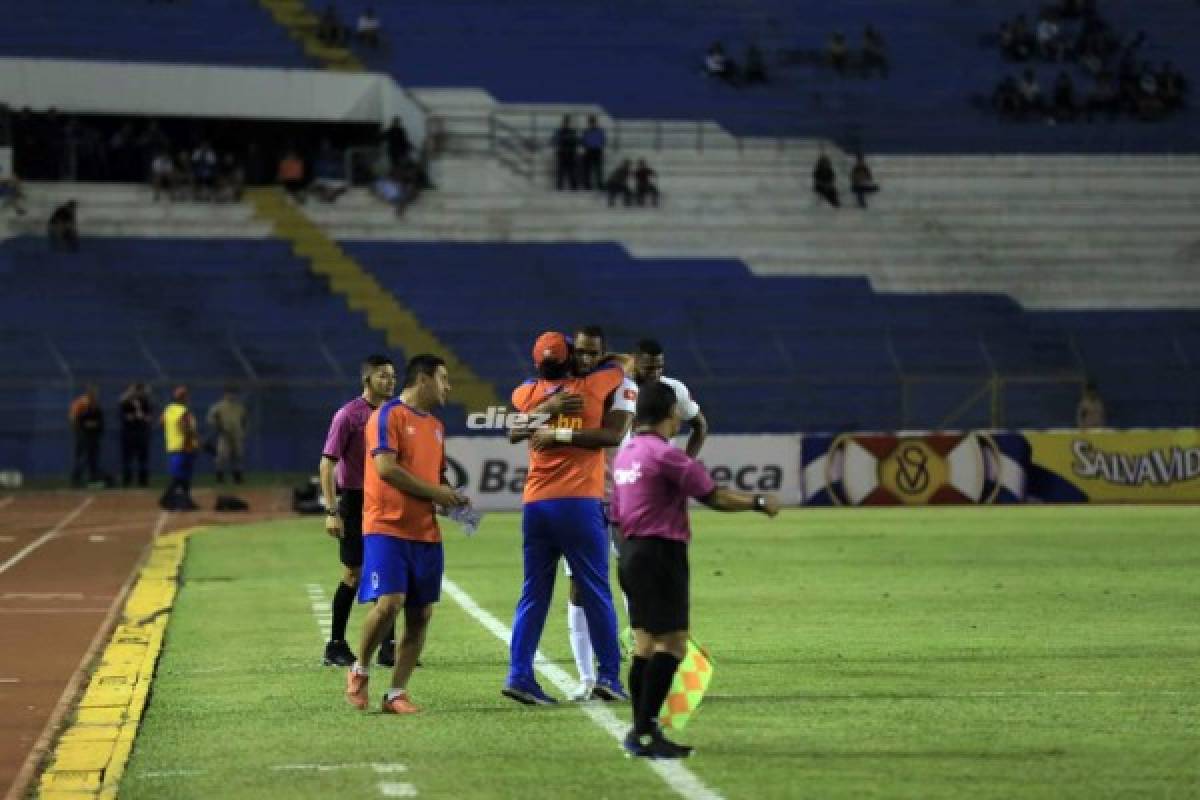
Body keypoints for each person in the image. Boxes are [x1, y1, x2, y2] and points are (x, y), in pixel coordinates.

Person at [613, 380, 780, 759]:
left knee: (643, 646)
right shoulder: (666, 456)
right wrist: (757, 501)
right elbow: (714, 496)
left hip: (630, 552)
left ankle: (639, 729)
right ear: (672, 413)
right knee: (671, 644)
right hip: (661, 554)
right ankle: (644, 730)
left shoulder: (626, 455)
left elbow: (618, 512)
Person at [562, 336, 708, 698]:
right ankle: (585, 678)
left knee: (639, 582)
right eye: (648, 366)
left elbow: (700, 424)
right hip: (594, 497)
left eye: (660, 366)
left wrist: (685, 465)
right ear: (634, 363)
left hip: (640, 504)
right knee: (580, 587)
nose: (655, 373)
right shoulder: (612, 387)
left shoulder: (672, 392)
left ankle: (641, 662)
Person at [501, 332, 633, 705]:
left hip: (536, 505)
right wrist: (597, 358)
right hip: (579, 503)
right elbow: (624, 364)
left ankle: (520, 674)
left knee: (533, 594)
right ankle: (608, 677)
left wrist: (547, 409)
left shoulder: (525, 394)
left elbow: (515, 428)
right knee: (596, 591)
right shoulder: (592, 386)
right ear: (573, 357)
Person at [344, 355, 470, 714]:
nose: (448, 387)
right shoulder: (386, 415)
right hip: (386, 525)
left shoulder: (436, 426)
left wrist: (452, 499)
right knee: (390, 603)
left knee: (421, 614)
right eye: (443, 379)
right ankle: (360, 669)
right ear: (423, 380)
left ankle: (396, 693)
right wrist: (436, 493)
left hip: (425, 532)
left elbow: (437, 479)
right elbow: (386, 468)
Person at [319, 355, 399, 668]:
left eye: (392, 376)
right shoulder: (348, 415)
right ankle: (335, 645)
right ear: (367, 380)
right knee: (354, 572)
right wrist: (332, 509)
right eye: (382, 376)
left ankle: (388, 646)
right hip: (355, 500)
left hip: (387, 499)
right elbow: (328, 462)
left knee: (388, 568)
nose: (390, 381)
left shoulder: (395, 413)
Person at [159, 386, 199, 511]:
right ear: (184, 398)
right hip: (184, 447)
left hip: (172, 446)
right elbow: (185, 428)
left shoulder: (168, 409)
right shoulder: (184, 411)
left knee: (183, 475)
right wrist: (194, 440)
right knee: (180, 476)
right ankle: (166, 499)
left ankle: (186, 500)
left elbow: (161, 423)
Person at [206, 385, 247, 484]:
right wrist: (218, 426)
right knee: (222, 456)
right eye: (229, 393)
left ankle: (237, 478)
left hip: (237, 435)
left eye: (234, 393)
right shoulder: (219, 406)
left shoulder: (239, 407)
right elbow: (210, 418)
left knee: (237, 456)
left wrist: (243, 432)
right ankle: (220, 478)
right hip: (224, 434)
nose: (232, 395)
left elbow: (244, 420)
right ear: (225, 394)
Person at [119, 382, 153, 488]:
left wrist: (140, 417)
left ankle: (143, 481)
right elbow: (125, 416)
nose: (137, 393)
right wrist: (136, 416)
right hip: (128, 433)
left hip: (141, 433)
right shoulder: (126, 403)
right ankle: (126, 480)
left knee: (143, 458)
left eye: (139, 391)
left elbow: (148, 417)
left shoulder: (145, 402)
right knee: (127, 458)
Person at [69, 385, 104, 487]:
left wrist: (95, 426)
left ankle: (93, 479)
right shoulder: (81, 403)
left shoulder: (95, 405)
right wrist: (80, 429)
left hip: (93, 436)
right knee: (82, 458)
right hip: (82, 435)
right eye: (94, 393)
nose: (96, 396)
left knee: (93, 458)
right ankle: (76, 480)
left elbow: (100, 422)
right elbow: (73, 418)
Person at [551, 116, 579, 191]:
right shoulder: (560, 132)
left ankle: (573, 186)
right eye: (566, 122)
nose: (566, 124)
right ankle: (560, 186)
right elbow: (554, 140)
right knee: (561, 171)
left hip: (570, 153)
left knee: (571, 171)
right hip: (563, 153)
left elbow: (576, 142)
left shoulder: (572, 132)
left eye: (567, 122)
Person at [580, 115, 606, 190]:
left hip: (597, 151)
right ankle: (587, 184)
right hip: (589, 151)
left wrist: (598, 145)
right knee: (588, 169)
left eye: (593, 122)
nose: (592, 124)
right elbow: (583, 141)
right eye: (591, 122)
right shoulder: (586, 131)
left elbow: (603, 140)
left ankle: (599, 184)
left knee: (598, 169)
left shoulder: (599, 131)